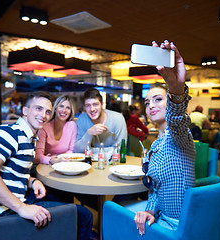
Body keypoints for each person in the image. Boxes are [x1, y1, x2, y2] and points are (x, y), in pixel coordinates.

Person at [0, 92, 92, 240]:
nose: (44, 115)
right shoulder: (9, 133)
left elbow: (10, 169)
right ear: (25, 111)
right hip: (4, 213)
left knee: (56, 195)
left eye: (48, 111)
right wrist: (22, 208)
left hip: (14, 202)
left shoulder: (28, 137)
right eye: (38, 109)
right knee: (84, 215)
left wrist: (32, 181)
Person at [133, 40, 196, 234]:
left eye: (158, 99)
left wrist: (176, 90)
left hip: (180, 226)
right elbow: (156, 188)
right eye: (147, 102)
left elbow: (178, 119)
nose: (151, 105)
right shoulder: (157, 144)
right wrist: (150, 209)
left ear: (168, 102)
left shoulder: (179, 136)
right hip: (161, 218)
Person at [74, 88, 127, 156]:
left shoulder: (118, 119)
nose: (92, 109)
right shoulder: (81, 120)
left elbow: (120, 150)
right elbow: (77, 151)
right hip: (88, 164)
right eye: (88, 105)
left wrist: (92, 151)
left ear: (102, 104)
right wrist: (89, 133)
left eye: (95, 104)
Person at [35, 95, 77, 165]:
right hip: (47, 165)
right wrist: (51, 160)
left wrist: (60, 158)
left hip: (65, 163)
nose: (64, 110)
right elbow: (37, 156)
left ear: (71, 111)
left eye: (68, 108)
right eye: (61, 106)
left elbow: (71, 150)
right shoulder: (44, 127)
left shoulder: (72, 125)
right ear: (55, 109)